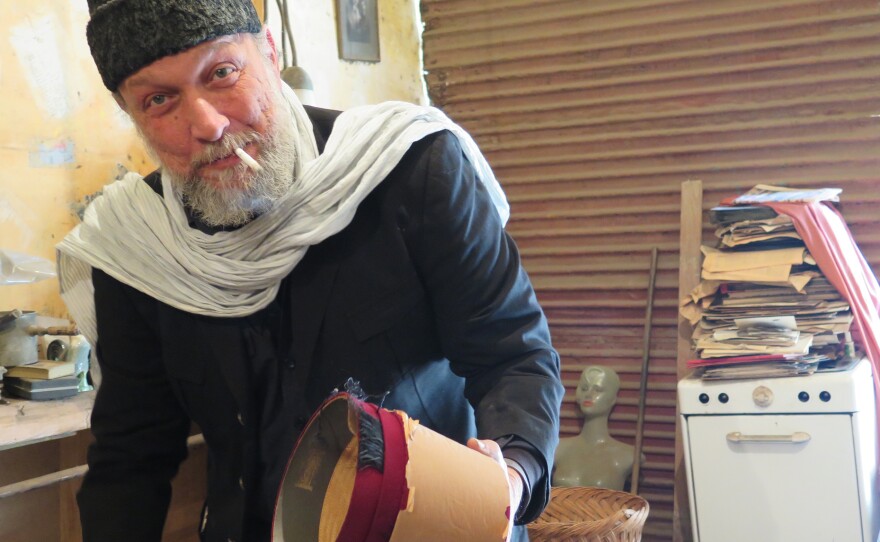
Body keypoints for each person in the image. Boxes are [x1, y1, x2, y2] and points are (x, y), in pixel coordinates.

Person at [58, 1, 564, 541]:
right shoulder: (138, 245)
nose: (208, 124)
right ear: (131, 115)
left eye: (223, 73)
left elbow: (513, 354)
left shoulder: (407, 169)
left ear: (269, 53)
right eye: (160, 100)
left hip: (425, 525)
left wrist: (509, 475)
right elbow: (131, 456)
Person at [552, 366, 639, 490]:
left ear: (613, 398)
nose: (588, 394)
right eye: (584, 388)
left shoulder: (628, 456)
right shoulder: (557, 449)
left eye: (598, 389)